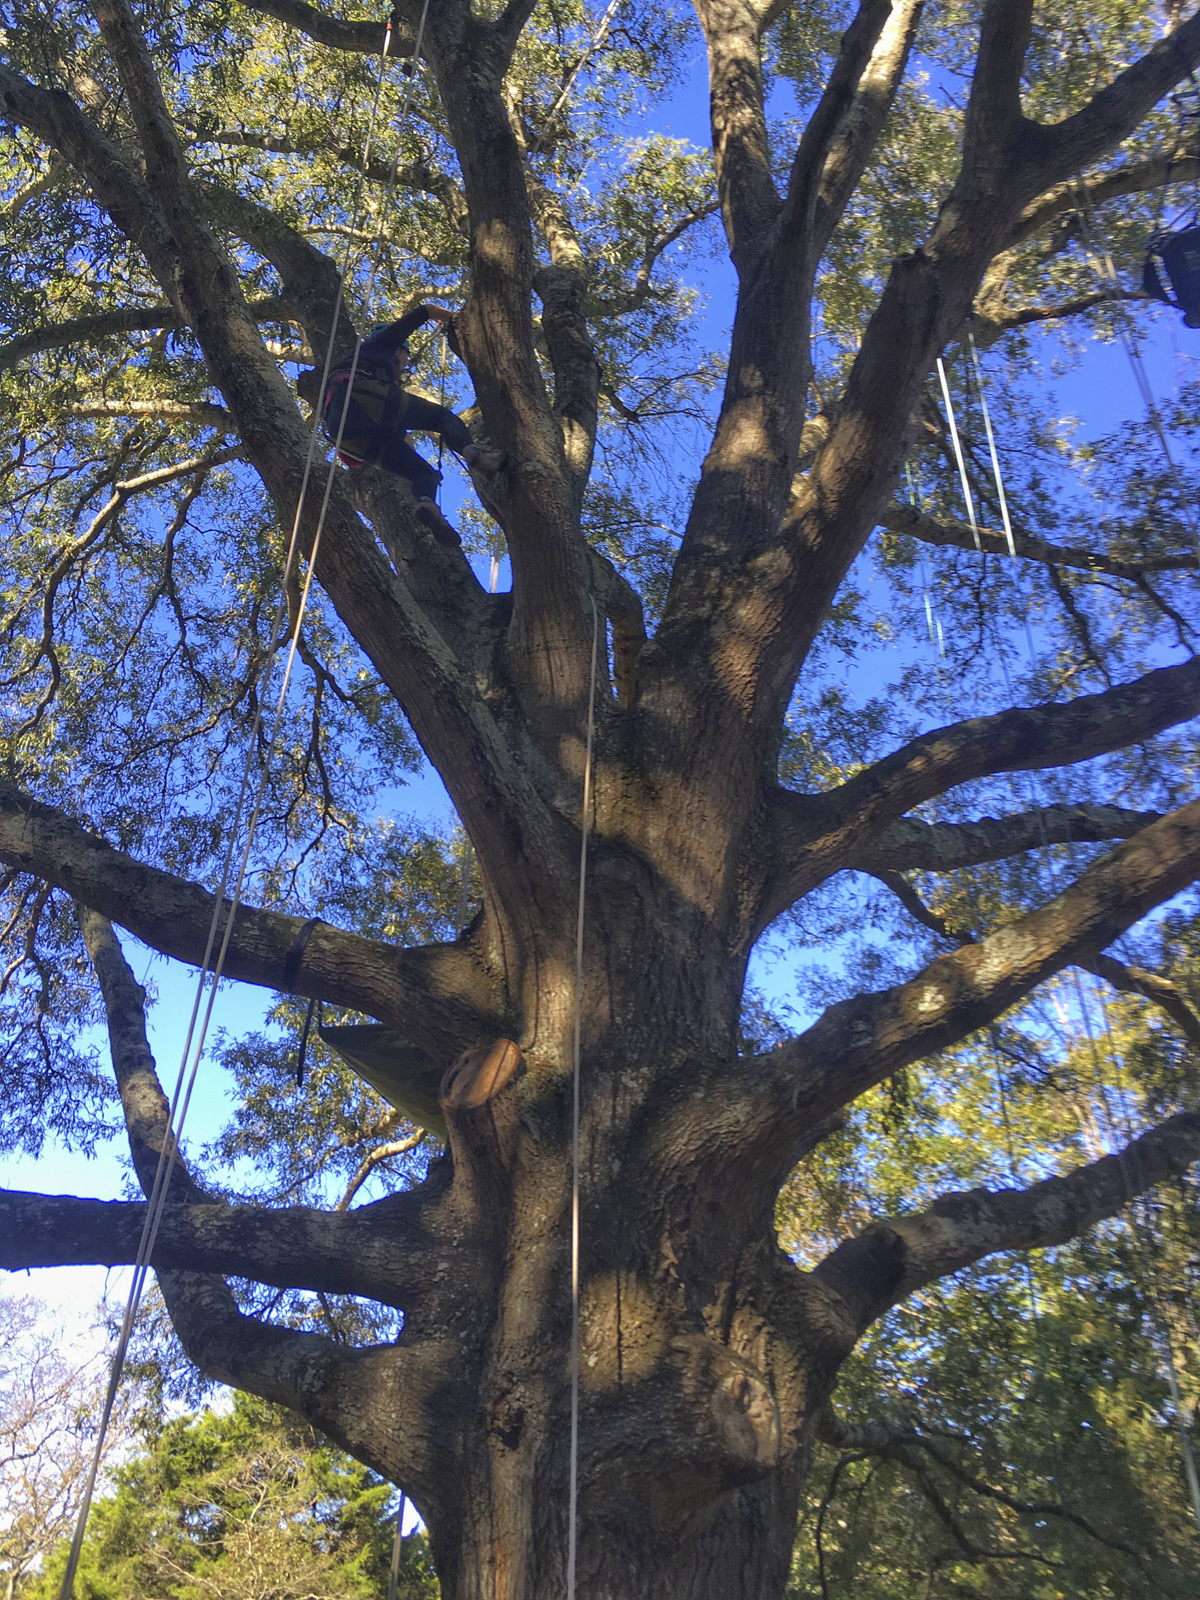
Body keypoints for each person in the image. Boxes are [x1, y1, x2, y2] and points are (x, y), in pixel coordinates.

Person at [296, 304, 501, 547]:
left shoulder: (367, 374)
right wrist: (450, 318)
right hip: (358, 395)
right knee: (442, 418)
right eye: (405, 357)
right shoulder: (381, 345)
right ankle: (477, 457)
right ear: (398, 351)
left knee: (424, 473)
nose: (404, 364)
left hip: (345, 433)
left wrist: (406, 456)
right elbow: (422, 312)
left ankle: (427, 504)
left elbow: (390, 438)